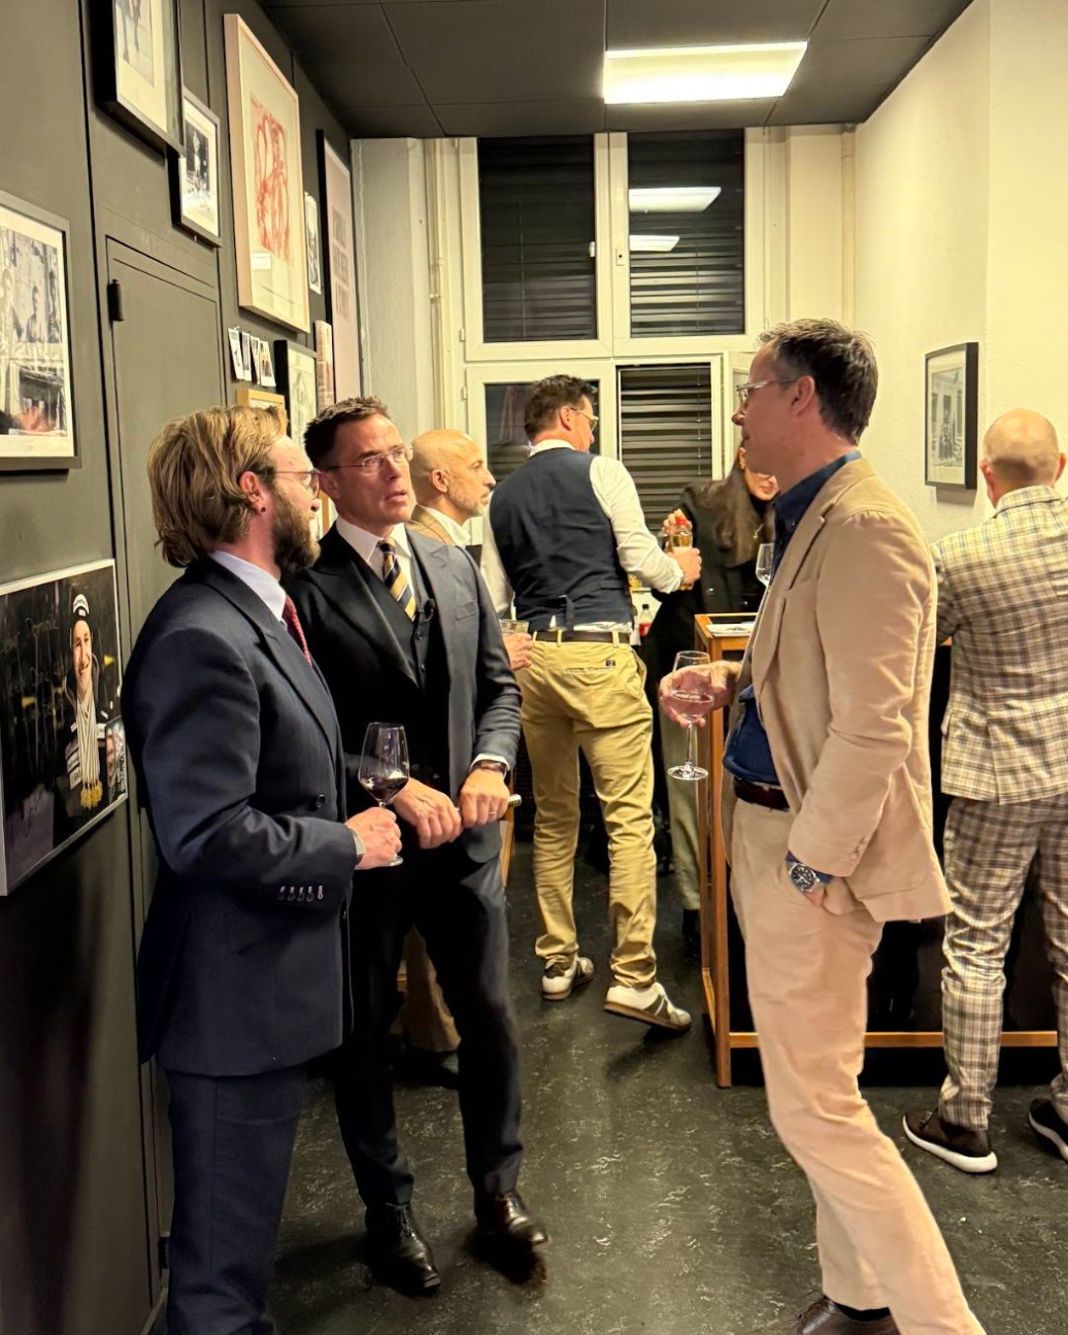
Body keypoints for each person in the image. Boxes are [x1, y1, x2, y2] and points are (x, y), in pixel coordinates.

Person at [661, 320, 983, 1335]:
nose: (739, 412)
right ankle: (859, 1294)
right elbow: (811, 660)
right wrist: (731, 679)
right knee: (818, 1096)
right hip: (771, 836)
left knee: (819, 1113)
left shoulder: (868, 525)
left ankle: (938, 1322)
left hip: (810, 854)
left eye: (751, 391)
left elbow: (879, 721)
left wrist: (812, 863)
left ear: (801, 397)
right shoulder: (813, 514)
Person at [124, 404, 400, 1335]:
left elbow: (281, 764)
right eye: (300, 476)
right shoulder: (203, 632)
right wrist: (346, 844)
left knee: (226, 1275)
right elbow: (205, 832)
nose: (316, 493)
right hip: (227, 1009)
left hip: (265, 1002)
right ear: (252, 491)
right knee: (218, 1289)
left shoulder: (261, 612)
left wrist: (376, 794)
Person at [289, 396, 546, 1297]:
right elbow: (307, 736)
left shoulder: (451, 560)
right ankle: (386, 1213)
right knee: (362, 1033)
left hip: (466, 845)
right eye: (368, 461)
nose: (395, 471)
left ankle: (496, 1195)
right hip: (367, 853)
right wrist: (389, 785)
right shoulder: (305, 592)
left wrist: (486, 762)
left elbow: (499, 689)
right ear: (325, 484)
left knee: (491, 1020)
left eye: (398, 453)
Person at [482, 374, 700, 1032]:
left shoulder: (502, 496)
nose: (596, 429)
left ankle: (557, 959)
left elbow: (494, 596)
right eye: (592, 417)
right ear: (571, 419)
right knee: (629, 817)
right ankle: (634, 975)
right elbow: (639, 555)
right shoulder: (603, 472)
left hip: (535, 661)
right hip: (599, 655)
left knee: (553, 815)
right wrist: (677, 570)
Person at [904, 409, 1068, 1173]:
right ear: (1060, 466)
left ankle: (965, 1118)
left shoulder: (962, 555)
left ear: (985, 475)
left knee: (976, 943)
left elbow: (916, 645)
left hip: (996, 774)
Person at [640, 448, 777, 954]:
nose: (770, 475)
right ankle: (697, 903)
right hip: (691, 661)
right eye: (761, 464)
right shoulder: (700, 504)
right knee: (690, 786)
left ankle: (744, 900)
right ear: (743, 457)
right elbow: (672, 580)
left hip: (757, 666)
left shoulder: (801, 510)